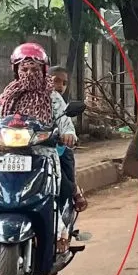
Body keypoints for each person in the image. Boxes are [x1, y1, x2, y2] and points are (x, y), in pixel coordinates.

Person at [0, 43, 78, 206]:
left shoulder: (52, 96)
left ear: (43, 71)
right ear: (17, 71)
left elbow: (65, 123)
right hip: (6, 154)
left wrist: (68, 134)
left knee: (63, 188)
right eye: (24, 70)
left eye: (35, 70)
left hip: (42, 153)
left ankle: (60, 227)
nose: (29, 74)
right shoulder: (7, 96)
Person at [48, 65, 88, 212]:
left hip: (52, 146)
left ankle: (74, 190)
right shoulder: (12, 95)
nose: (60, 86)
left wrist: (69, 134)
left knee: (65, 172)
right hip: (25, 148)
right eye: (56, 81)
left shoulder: (55, 98)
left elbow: (66, 122)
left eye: (64, 83)